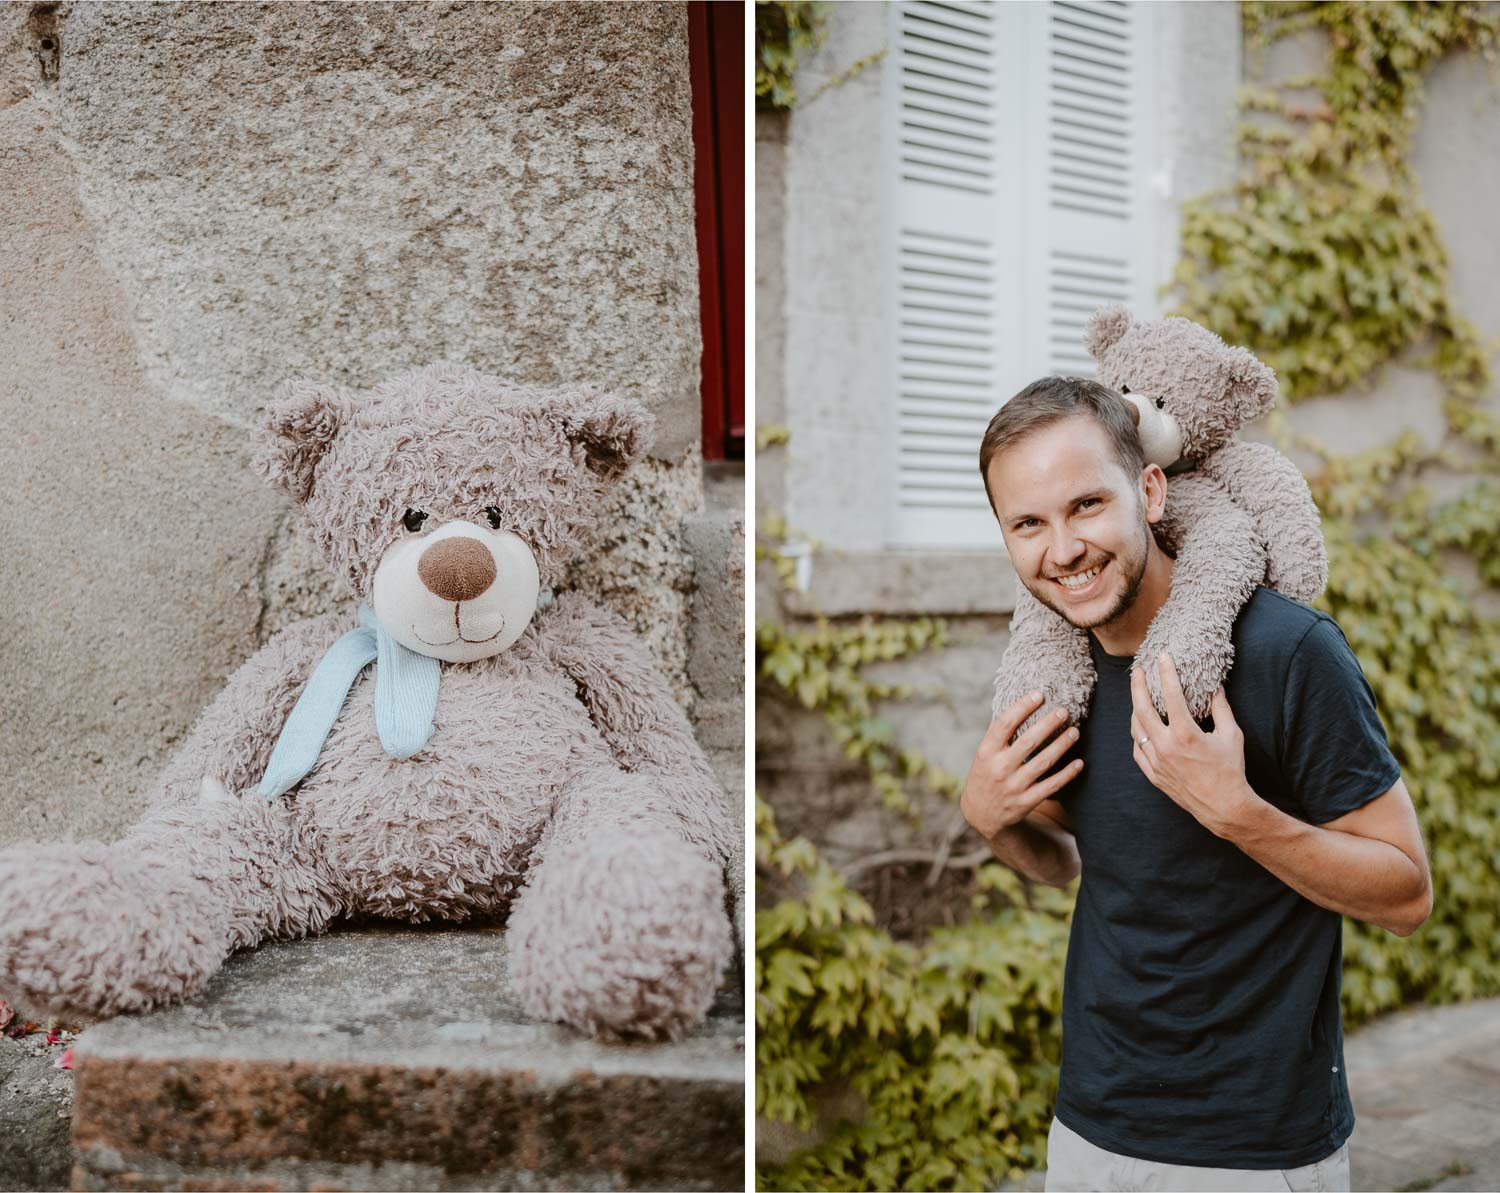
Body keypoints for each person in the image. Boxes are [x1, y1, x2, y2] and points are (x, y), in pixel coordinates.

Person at [960, 377, 1432, 1193]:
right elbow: (1070, 866)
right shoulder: (1050, 678)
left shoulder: (1290, 651)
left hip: (1256, 1144)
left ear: (1149, 490)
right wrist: (993, 820)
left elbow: (1406, 895)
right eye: (1028, 523)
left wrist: (1240, 813)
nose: (1063, 548)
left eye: (1085, 506)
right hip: (1092, 1126)